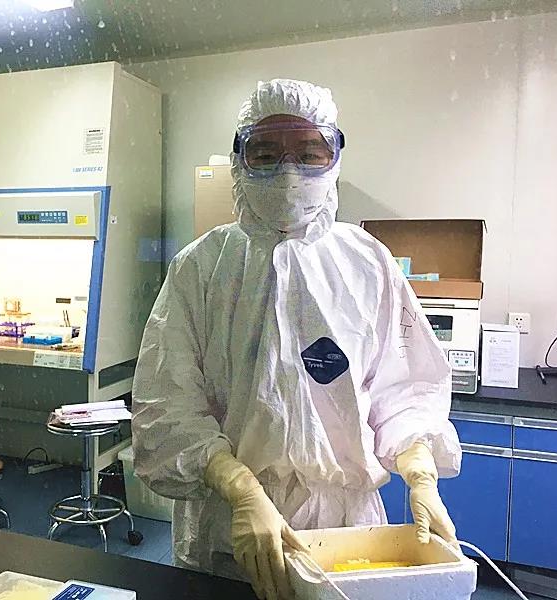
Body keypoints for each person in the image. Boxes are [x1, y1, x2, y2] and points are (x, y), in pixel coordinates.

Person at [131, 79, 461, 600]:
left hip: (345, 529)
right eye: (266, 154)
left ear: (335, 158)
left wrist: (420, 472)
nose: (289, 174)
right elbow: (167, 407)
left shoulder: (367, 263)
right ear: (239, 160)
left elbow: (403, 388)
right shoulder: (201, 268)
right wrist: (241, 489)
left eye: (309, 153)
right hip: (230, 528)